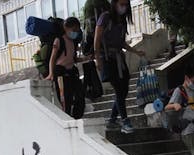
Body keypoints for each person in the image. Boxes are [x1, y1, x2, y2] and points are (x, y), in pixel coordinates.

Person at [94, 0, 145, 134]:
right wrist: (98, 59)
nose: (124, 7)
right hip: (107, 58)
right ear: (114, 4)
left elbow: (121, 42)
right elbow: (97, 39)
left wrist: (135, 51)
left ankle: (112, 120)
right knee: (118, 89)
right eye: (121, 4)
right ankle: (125, 121)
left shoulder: (122, 20)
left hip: (119, 59)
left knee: (124, 90)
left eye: (126, 4)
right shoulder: (105, 17)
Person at [45, 17, 83, 117]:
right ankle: (68, 118)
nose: (75, 32)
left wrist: (87, 58)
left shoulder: (74, 43)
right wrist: (51, 74)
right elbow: (52, 58)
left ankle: (76, 117)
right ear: (65, 28)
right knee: (66, 99)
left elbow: (72, 58)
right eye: (73, 30)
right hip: (61, 73)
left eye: (77, 30)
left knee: (80, 96)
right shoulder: (59, 40)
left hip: (72, 72)